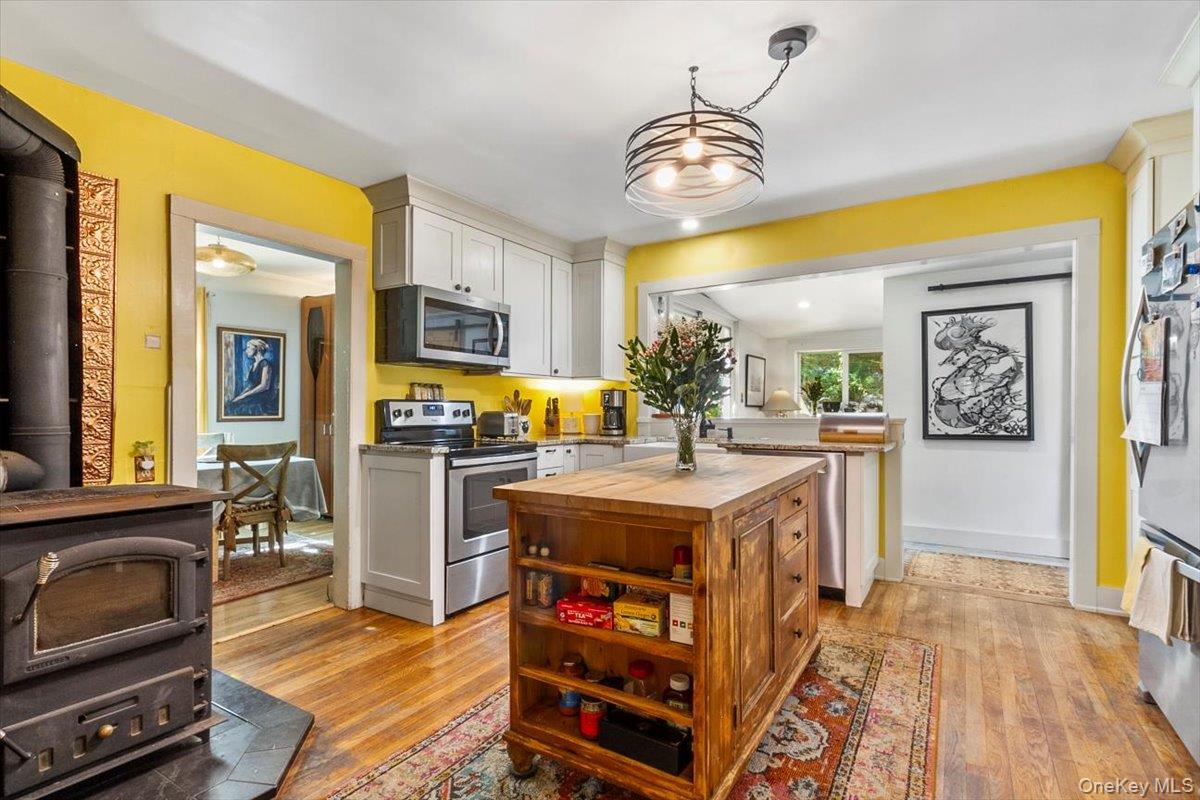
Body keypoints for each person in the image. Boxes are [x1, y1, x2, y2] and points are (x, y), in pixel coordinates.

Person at [230, 337, 275, 413]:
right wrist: (240, 396)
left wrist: (245, 395)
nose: (246, 350)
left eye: (248, 347)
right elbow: (251, 385)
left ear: (256, 349)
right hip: (254, 394)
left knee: (241, 408)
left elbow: (264, 386)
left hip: (262, 397)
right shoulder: (253, 365)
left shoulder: (265, 363)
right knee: (233, 404)